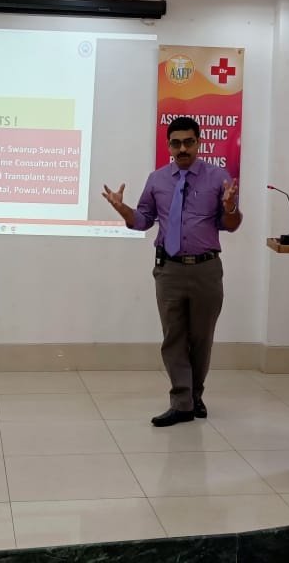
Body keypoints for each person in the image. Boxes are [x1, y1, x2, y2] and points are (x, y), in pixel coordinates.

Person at [102, 116, 241, 427]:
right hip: (169, 270)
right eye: (176, 143)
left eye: (189, 142)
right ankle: (182, 402)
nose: (182, 149)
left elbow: (230, 225)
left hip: (206, 269)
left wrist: (231, 207)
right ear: (168, 146)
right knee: (173, 337)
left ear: (199, 143)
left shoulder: (218, 178)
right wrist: (123, 209)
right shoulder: (157, 180)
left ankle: (195, 394)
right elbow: (143, 220)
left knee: (201, 338)